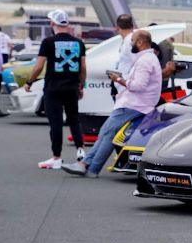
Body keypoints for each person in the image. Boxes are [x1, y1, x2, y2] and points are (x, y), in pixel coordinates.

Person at [65, 30, 162, 178]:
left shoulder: (144, 61)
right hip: (138, 104)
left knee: (106, 133)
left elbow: (138, 86)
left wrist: (118, 79)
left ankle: (87, 165)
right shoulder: (149, 58)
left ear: (140, 42)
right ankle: (89, 167)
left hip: (133, 104)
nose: (131, 44)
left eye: (133, 41)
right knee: (107, 134)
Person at [26, 10, 85, 168]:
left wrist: (29, 82)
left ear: (52, 23)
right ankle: (81, 152)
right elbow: (83, 67)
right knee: (74, 120)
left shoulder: (48, 42)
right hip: (72, 87)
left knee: (56, 123)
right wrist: (81, 86)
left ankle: (56, 157)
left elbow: (39, 67)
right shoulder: (78, 43)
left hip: (53, 88)